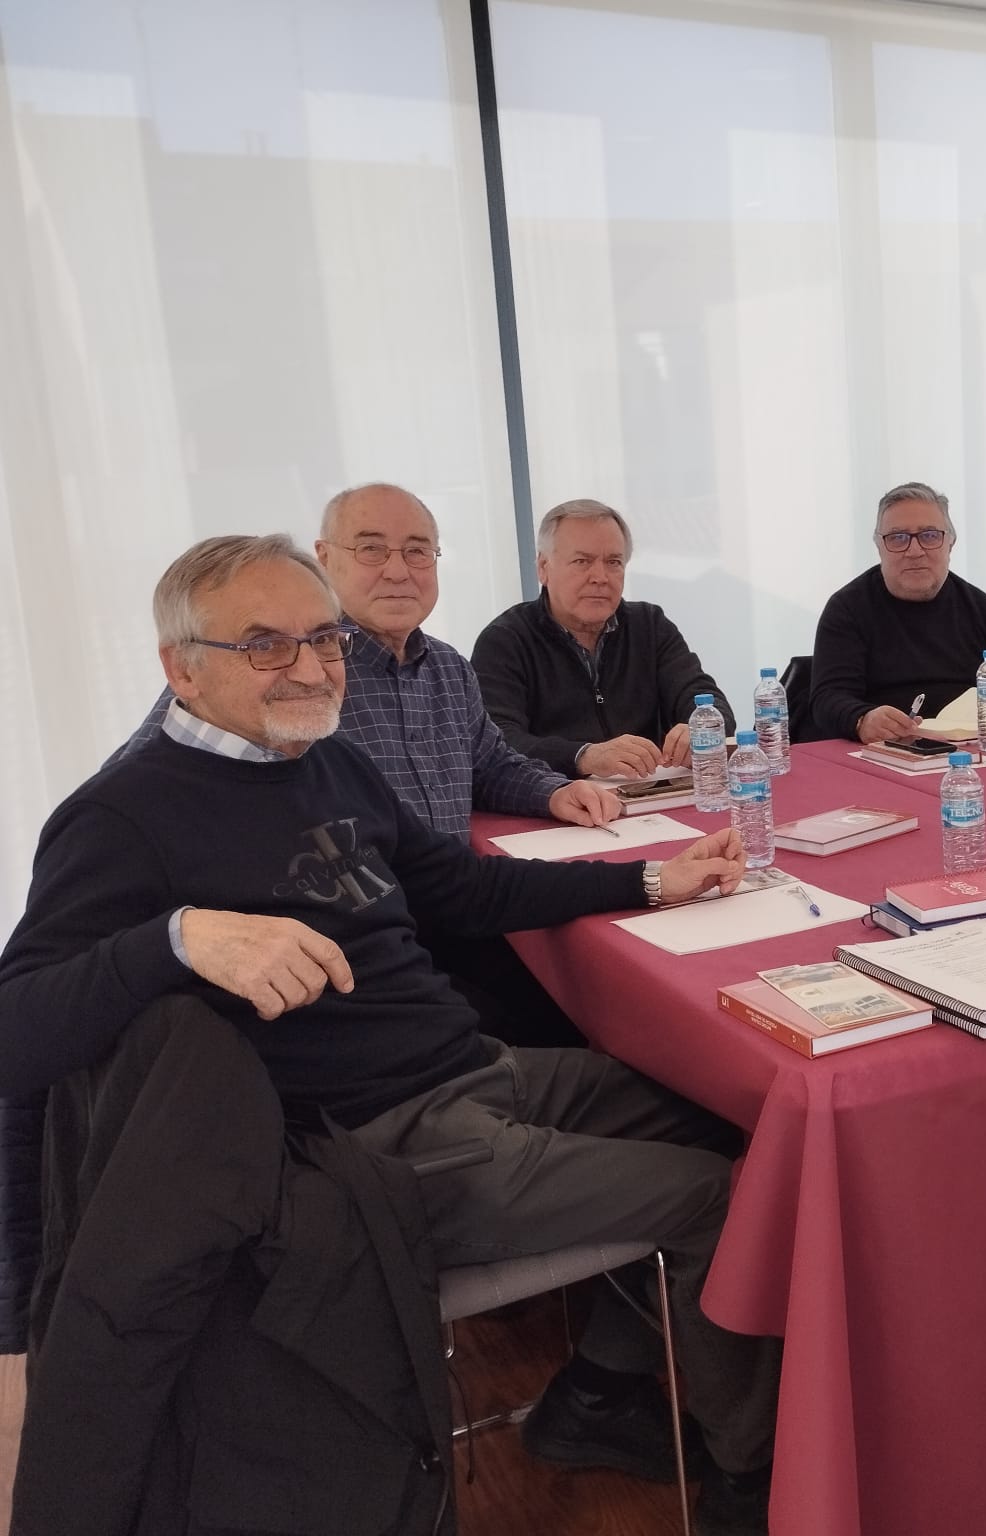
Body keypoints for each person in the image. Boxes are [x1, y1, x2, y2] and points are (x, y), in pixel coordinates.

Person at [0, 535, 779, 1535]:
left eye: (322, 639)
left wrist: (647, 879)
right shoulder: (123, 815)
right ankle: (750, 1485)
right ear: (179, 666)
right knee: (715, 1202)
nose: (313, 667)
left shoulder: (330, 758)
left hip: (473, 1069)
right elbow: (19, 1033)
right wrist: (178, 939)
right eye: (267, 646)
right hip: (376, 1145)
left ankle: (597, 1393)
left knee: (728, 1120)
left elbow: (460, 885)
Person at [117, 482, 611, 1047]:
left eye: (418, 550)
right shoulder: (276, 683)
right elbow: (154, 786)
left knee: (591, 1019)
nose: (399, 571)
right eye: (372, 549)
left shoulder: (447, 668)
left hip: (454, 912)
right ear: (324, 559)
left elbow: (491, 762)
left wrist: (552, 791)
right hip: (358, 953)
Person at [473, 499, 734, 779]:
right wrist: (583, 756)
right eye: (582, 561)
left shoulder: (650, 625)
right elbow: (496, 743)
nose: (600, 577)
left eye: (613, 562)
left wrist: (703, 727)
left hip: (649, 794)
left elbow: (707, 701)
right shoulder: (505, 640)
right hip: (558, 803)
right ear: (543, 568)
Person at [808, 481, 986, 744]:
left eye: (928, 535)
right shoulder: (848, 609)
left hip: (972, 752)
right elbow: (828, 698)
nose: (914, 551)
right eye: (898, 538)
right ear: (879, 546)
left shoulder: (982, 609)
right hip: (887, 754)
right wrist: (862, 719)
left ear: (950, 542)